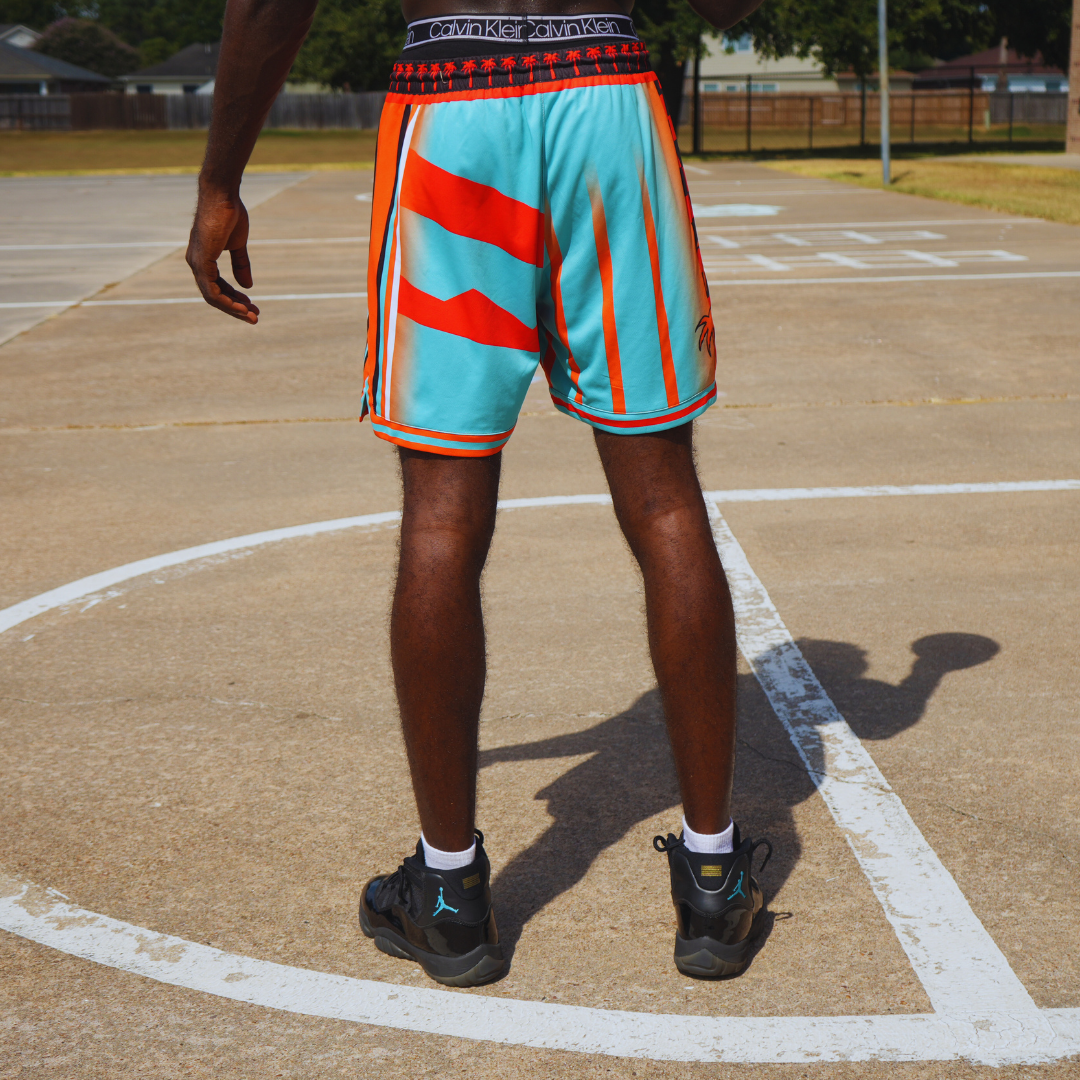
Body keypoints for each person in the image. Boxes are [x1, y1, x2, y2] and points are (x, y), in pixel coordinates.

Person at [187, 0, 769, 989]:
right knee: (665, 500)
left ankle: (451, 897)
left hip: (454, 99)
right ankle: (713, 875)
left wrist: (219, 178)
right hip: (604, 93)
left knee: (443, 516)